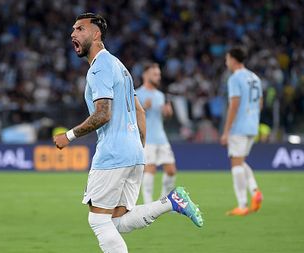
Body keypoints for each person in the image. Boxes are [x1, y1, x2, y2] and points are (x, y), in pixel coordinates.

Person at [53, 13, 203, 253]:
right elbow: (140, 112)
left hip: (113, 153)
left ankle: (172, 202)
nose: (73, 34)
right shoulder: (119, 66)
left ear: (96, 33)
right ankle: (171, 202)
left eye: (80, 29)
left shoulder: (99, 68)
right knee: (117, 221)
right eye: (73, 30)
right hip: (133, 152)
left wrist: (68, 136)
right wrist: (137, 148)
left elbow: (103, 114)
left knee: (98, 221)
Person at [220, 47, 264, 216]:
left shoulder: (234, 78)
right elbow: (260, 103)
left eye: (227, 59)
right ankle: (255, 191)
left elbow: (234, 105)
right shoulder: (255, 77)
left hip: (239, 126)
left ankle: (242, 205)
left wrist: (226, 131)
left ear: (232, 59)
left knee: (236, 165)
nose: (226, 62)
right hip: (253, 126)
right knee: (241, 161)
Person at [136, 63, 177, 204]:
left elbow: (163, 117)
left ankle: (163, 200)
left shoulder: (160, 95)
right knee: (150, 170)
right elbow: (130, 116)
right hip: (147, 138)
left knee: (171, 170)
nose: (158, 77)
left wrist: (168, 113)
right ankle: (148, 205)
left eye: (159, 74)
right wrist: (142, 108)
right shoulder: (137, 94)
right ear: (145, 75)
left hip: (161, 137)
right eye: (155, 74)